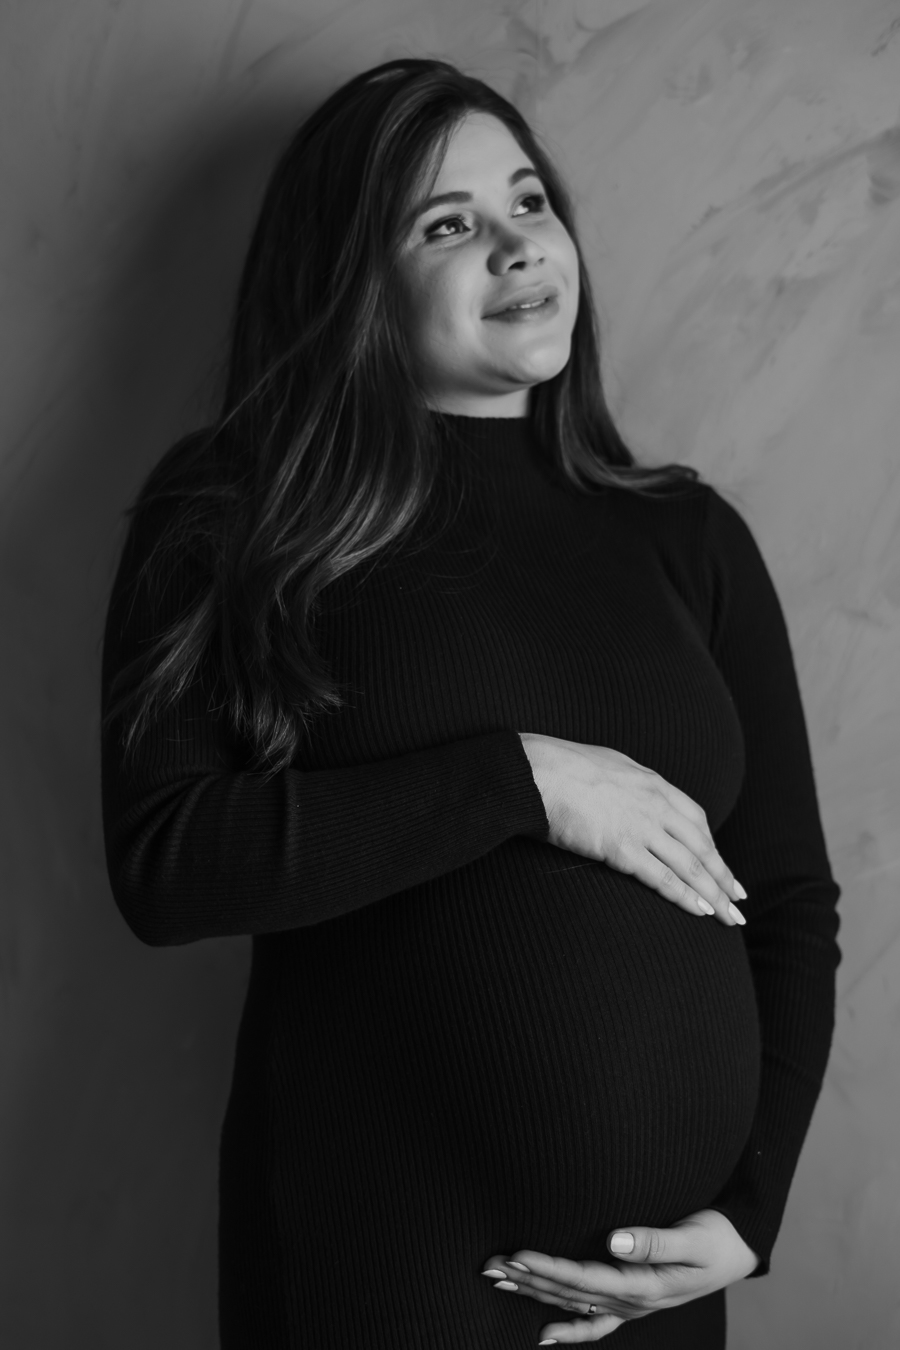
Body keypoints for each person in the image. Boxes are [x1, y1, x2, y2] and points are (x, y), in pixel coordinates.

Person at [101, 59, 840, 1349]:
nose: (517, 244)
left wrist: (747, 1213)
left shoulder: (687, 536)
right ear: (354, 281)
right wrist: (522, 782)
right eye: (449, 224)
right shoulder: (241, 514)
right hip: (375, 1271)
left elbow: (783, 901)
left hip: (657, 1294)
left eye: (530, 201)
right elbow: (167, 863)